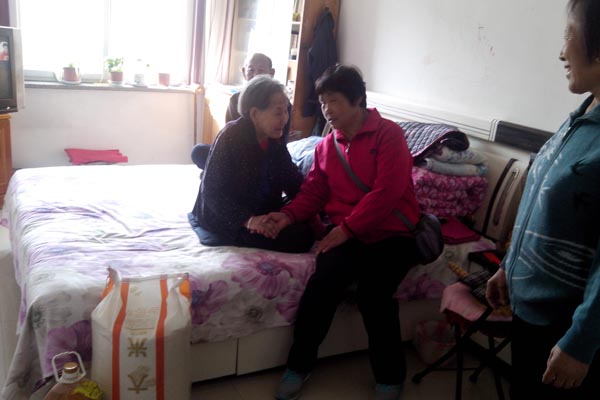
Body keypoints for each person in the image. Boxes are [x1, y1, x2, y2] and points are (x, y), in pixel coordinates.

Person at [262, 64, 421, 400]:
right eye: (323, 103)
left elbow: (387, 192)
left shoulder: (389, 135)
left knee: (375, 295)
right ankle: (299, 366)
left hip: (392, 234)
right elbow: (314, 192)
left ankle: (390, 376)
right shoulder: (326, 147)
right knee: (321, 285)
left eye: (333, 101)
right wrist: (288, 215)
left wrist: (346, 229)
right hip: (350, 234)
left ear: (357, 99)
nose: (327, 110)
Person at [486, 0, 600, 398]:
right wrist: (508, 267)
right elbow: (540, 205)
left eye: (568, 35)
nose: (561, 52)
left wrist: (581, 342)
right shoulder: (579, 118)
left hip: (565, 329)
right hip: (531, 313)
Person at [189, 74, 314, 253]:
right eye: (278, 113)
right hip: (229, 216)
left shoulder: (274, 139)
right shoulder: (231, 136)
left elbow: (292, 180)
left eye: (286, 111)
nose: (285, 119)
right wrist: (249, 221)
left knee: (304, 227)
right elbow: (212, 193)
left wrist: (305, 210)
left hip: (261, 210)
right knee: (300, 238)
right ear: (255, 114)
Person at [191, 53, 291, 169]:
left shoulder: (282, 103)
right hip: (239, 152)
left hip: (270, 153)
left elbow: (281, 141)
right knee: (199, 151)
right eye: (251, 70)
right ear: (244, 72)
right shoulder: (236, 100)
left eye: (261, 70)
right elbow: (233, 138)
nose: (256, 75)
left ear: (271, 73)